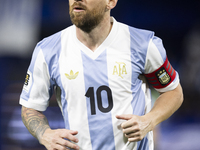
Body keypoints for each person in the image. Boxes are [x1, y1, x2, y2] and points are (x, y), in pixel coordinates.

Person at [19, 0, 183, 149]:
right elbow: (30, 108)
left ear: (110, 2)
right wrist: (44, 134)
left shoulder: (142, 44)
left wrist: (149, 120)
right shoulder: (48, 51)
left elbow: (173, 91)